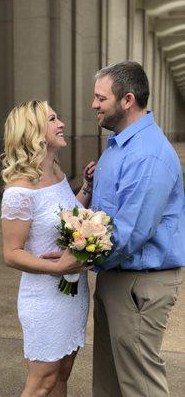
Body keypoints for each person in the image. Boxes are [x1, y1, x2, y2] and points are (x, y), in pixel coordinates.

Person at [90, 61, 184, 397]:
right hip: (117, 277)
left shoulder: (147, 155)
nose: (94, 104)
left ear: (127, 99)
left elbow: (130, 233)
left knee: (140, 385)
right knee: (111, 381)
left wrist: (77, 260)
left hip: (138, 282)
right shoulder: (119, 144)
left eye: (101, 98)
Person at [0, 100, 95, 397]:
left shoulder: (56, 173)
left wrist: (87, 189)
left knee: (62, 374)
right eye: (52, 119)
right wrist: (57, 267)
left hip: (72, 293)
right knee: (41, 382)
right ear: (33, 132)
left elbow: (67, 219)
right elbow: (12, 253)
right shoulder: (19, 191)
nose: (61, 123)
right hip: (44, 299)